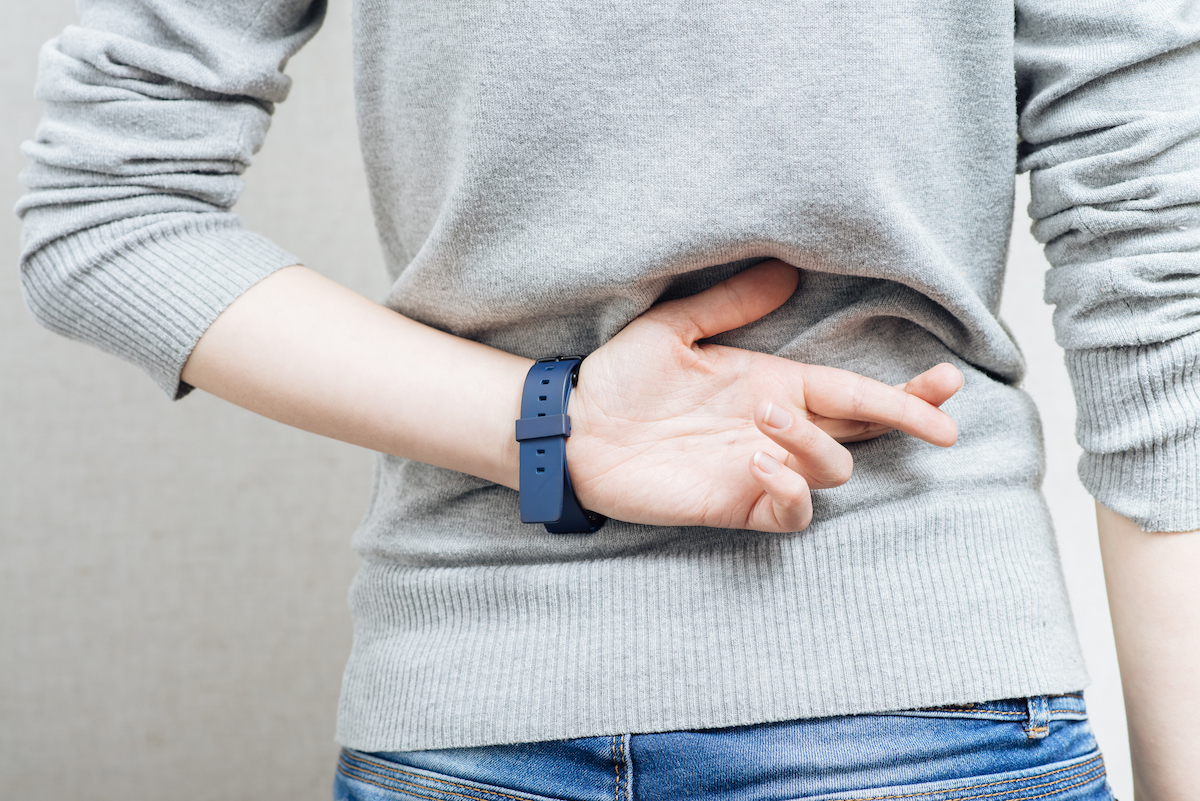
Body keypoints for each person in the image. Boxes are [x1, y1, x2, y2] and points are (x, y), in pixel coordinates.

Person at [17, 0, 1199, 798]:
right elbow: (1159, 306)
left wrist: (543, 422)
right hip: (917, 711)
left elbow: (102, 211)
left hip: (474, 708)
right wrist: (569, 423)